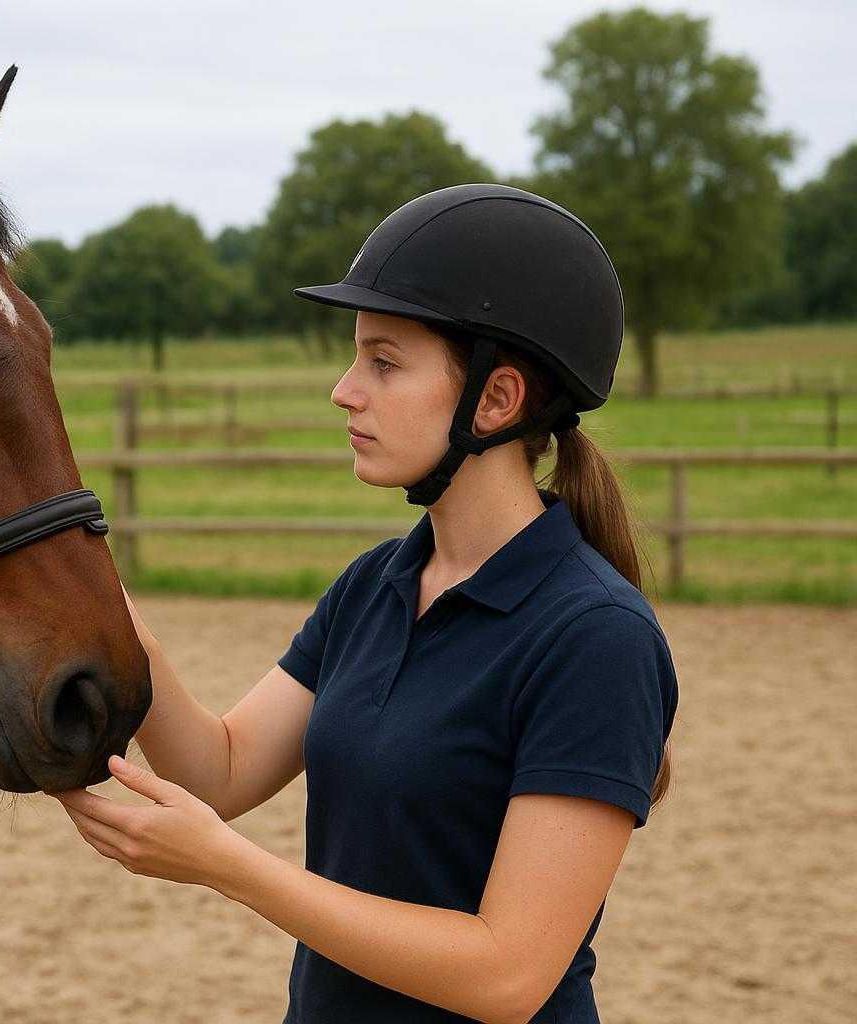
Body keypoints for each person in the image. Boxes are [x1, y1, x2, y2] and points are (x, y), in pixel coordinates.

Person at [50, 184, 679, 1023]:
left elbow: (508, 974)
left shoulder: (596, 639)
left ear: (496, 400)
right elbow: (222, 768)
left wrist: (229, 866)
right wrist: (91, 596)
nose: (345, 390)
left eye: (384, 362)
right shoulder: (377, 584)